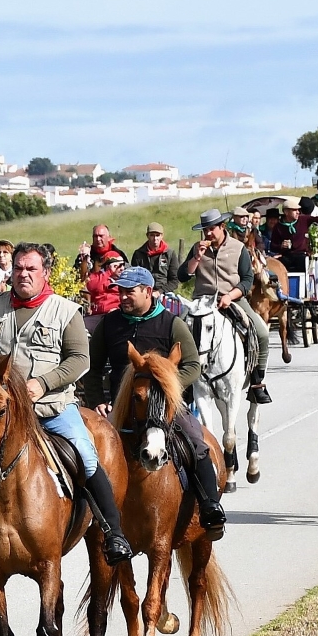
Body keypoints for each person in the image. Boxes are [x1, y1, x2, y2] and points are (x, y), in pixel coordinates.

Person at [0, 242, 134, 567]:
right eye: (18, 268)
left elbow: (80, 360)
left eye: (31, 269)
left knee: (87, 455)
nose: (23, 274)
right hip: (0, 413)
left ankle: (113, 533)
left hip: (51, 408)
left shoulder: (65, 311)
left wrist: (43, 383)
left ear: (45, 273)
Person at [82, 266, 225, 538]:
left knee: (196, 441)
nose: (122, 297)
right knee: (89, 451)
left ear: (147, 292)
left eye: (129, 292)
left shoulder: (173, 324)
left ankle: (209, 506)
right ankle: (85, 514)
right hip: (122, 408)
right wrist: (97, 400)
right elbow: (93, 366)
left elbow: (193, 365)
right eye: (120, 291)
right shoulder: (109, 324)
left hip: (165, 407)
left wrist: (166, 388)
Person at [183, 208, 272, 404]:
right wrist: (196, 257)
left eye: (211, 229)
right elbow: (183, 276)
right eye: (205, 230)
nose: (207, 234)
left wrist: (230, 296)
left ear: (222, 227)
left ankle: (257, 382)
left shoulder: (238, 248)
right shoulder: (197, 248)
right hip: (202, 300)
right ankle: (184, 383)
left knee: (261, 333)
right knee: (177, 331)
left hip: (232, 297)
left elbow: (247, 279)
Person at [82, 249, 126, 333]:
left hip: (117, 313)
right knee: (82, 326)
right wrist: (108, 273)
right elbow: (91, 286)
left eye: (123, 265)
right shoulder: (98, 277)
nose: (122, 268)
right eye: (117, 266)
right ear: (107, 266)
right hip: (98, 315)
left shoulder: (125, 280)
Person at [131, 221, 182, 292]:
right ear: (147, 236)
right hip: (144, 291)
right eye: (152, 235)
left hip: (164, 291)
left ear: (162, 236)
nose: (155, 238)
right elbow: (134, 278)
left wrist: (160, 292)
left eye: (157, 235)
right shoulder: (138, 254)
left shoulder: (170, 254)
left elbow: (175, 280)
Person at [267, 203, 311, 273]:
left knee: (302, 260)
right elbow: (273, 247)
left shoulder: (302, 221)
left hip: (300, 255)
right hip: (284, 256)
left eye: (275, 218)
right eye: (270, 219)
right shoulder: (277, 227)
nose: (273, 221)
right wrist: (281, 246)